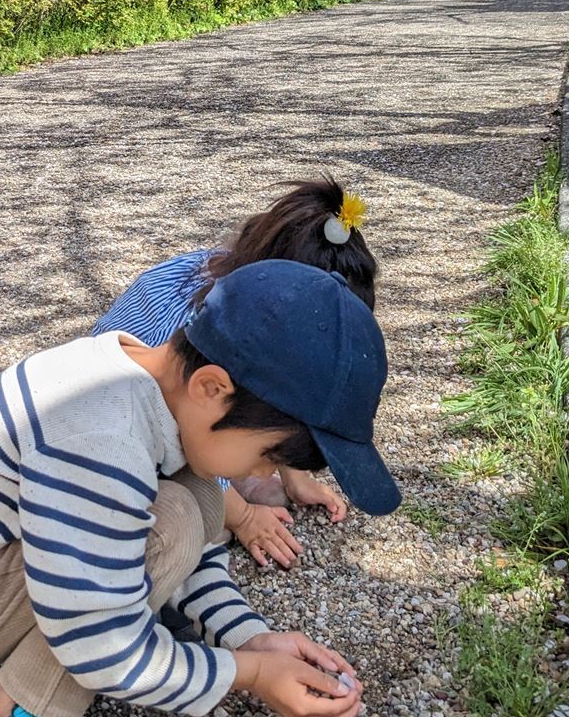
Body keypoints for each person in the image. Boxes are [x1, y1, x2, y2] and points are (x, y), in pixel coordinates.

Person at [0, 260, 401, 717]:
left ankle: (140, 625)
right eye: (268, 454)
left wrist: (250, 640)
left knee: (197, 496)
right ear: (212, 387)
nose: (265, 474)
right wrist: (251, 676)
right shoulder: (101, 434)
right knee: (169, 520)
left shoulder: (142, 382)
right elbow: (99, 643)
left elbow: (196, 535)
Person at [93, 177, 378, 568]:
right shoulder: (204, 327)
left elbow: (273, 391)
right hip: (155, 422)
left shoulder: (242, 303)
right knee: (202, 518)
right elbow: (188, 417)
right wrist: (243, 516)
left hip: (190, 415)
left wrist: (293, 472)